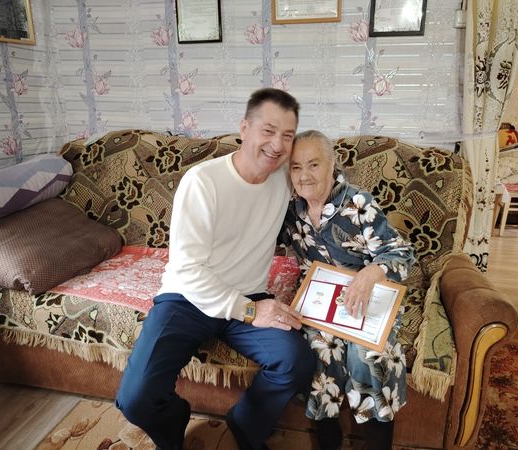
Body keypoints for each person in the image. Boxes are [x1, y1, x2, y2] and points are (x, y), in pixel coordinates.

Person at [115, 89, 316, 450]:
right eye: (268, 131)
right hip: (187, 298)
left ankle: (246, 424)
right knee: (135, 399)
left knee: (297, 361)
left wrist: (373, 265)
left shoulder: (286, 176)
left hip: (248, 293)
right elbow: (187, 270)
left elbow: (331, 186)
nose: (277, 145)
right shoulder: (203, 181)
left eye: (288, 135)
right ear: (244, 128)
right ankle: (173, 425)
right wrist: (251, 311)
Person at [280, 130, 416, 450]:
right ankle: (328, 441)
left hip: (367, 294)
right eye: (296, 167)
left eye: (314, 165)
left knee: (366, 355)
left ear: (332, 164)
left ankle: (377, 443)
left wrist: (369, 274)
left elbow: (401, 253)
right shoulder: (291, 211)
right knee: (315, 351)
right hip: (319, 300)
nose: (304, 175)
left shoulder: (357, 203)